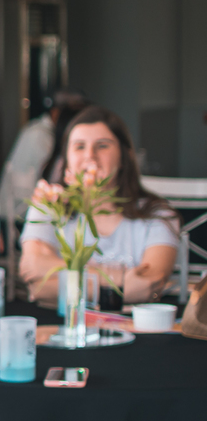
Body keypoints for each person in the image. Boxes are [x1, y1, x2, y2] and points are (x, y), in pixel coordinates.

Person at [19, 106, 178, 304]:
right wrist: (121, 282)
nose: (90, 156)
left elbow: (150, 285)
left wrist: (63, 281)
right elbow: (35, 278)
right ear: (66, 160)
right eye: (79, 146)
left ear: (124, 156)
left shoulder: (158, 213)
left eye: (102, 146)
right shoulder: (48, 205)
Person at [0, 91, 89, 223]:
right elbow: (51, 179)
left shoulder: (36, 129)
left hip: (21, 211)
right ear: (56, 113)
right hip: (20, 215)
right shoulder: (42, 136)